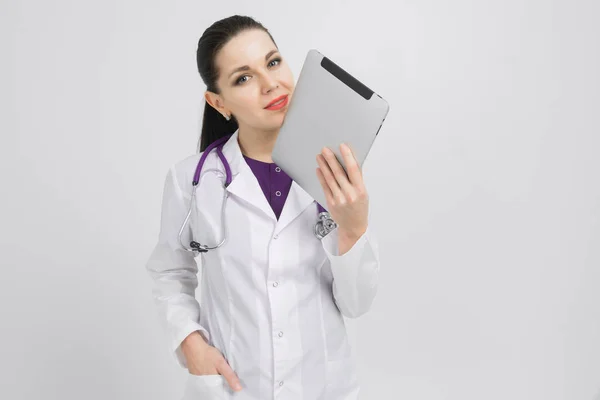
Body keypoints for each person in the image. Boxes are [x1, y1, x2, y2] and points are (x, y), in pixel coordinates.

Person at [145, 15, 380, 400]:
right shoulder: (191, 181)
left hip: (323, 387)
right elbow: (169, 272)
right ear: (218, 102)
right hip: (234, 387)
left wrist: (354, 229)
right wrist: (190, 342)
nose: (271, 83)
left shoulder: (336, 170)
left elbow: (356, 305)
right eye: (243, 77)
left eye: (272, 62)